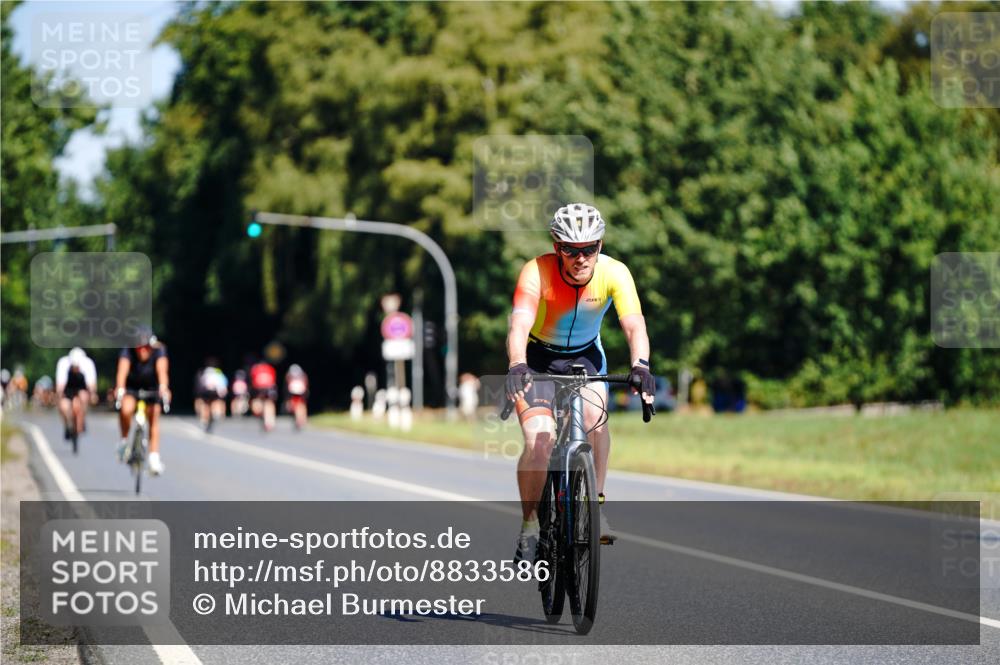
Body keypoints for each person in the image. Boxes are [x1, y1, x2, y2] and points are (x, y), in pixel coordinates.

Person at [505, 203, 655, 561]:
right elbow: (519, 324)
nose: (581, 257)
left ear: (600, 246)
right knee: (539, 442)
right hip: (539, 359)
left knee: (595, 423)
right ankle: (530, 526)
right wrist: (516, 363)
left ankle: (596, 507)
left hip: (587, 357)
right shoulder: (536, 271)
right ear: (557, 246)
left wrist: (641, 366)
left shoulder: (615, 272)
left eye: (589, 248)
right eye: (571, 249)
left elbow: (634, 325)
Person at [114, 327, 171, 475]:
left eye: (146, 347)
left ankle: (153, 457)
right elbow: (122, 372)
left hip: (152, 388)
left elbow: (162, 372)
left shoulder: (159, 351)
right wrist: (120, 388)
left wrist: (164, 388)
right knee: (126, 409)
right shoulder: (127, 351)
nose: (142, 351)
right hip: (132, 388)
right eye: (139, 347)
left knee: (154, 416)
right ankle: (124, 441)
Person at [55, 348, 97, 440]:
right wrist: (59, 396)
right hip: (68, 390)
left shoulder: (87, 364)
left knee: (83, 397)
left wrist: (93, 395)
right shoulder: (63, 364)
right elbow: (60, 386)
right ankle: (67, 425)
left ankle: (82, 419)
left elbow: (91, 385)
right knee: (64, 407)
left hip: (81, 389)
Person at [194, 359, 228, 432]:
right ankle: (215, 413)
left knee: (206, 405)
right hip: (215, 391)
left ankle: (204, 419)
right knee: (214, 402)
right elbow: (222, 381)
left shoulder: (204, 371)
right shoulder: (218, 371)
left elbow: (201, 382)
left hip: (206, 391)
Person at [249, 358, 278, 431]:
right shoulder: (270, 368)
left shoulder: (255, 368)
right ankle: (269, 420)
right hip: (267, 388)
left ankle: (268, 420)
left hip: (260, 389)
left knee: (264, 404)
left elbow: (252, 379)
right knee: (268, 404)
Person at [284, 363, 309, 429]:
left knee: (299, 406)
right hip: (297, 393)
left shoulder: (289, 376)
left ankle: (301, 420)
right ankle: (301, 419)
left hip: (298, 393)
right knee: (299, 406)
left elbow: (287, 387)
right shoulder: (303, 376)